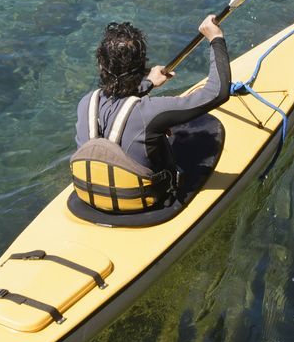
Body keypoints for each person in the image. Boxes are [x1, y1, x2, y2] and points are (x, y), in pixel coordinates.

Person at [71, 15, 229, 214]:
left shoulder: (85, 102)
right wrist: (216, 39)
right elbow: (218, 93)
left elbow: (119, 108)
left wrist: (148, 84)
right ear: (142, 65)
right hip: (146, 204)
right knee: (184, 136)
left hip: (90, 197)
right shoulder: (152, 112)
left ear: (101, 65)